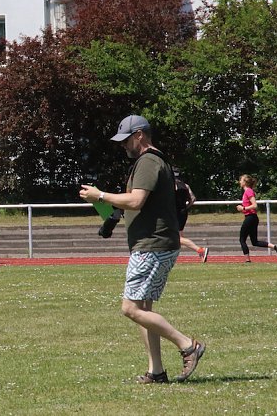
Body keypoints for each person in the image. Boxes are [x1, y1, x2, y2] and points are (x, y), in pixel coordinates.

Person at [80, 115, 205, 384]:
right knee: (143, 308)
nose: (123, 146)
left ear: (139, 135)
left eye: (126, 140)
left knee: (130, 308)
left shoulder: (148, 161)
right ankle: (156, 371)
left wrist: (100, 196)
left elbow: (136, 201)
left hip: (153, 245)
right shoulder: (153, 160)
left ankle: (188, 345)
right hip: (153, 243)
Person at [236, 175, 277, 262]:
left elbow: (254, 205)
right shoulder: (246, 192)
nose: (239, 182)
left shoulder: (248, 191)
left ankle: (247, 260)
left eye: (241, 180)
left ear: (245, 182)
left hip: (250, 218)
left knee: (242, 239)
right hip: (252, 218)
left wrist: (243, 208)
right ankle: (275, 247)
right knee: (254, 242)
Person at [173, 169, 209, 263]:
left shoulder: (171, 185)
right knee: (179, 236)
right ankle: (173, 257)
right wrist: (186, 207)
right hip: (183, 212)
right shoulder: (185, 186)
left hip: (174, 213)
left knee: (177, 237)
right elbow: (192, 199)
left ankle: (200, 250)